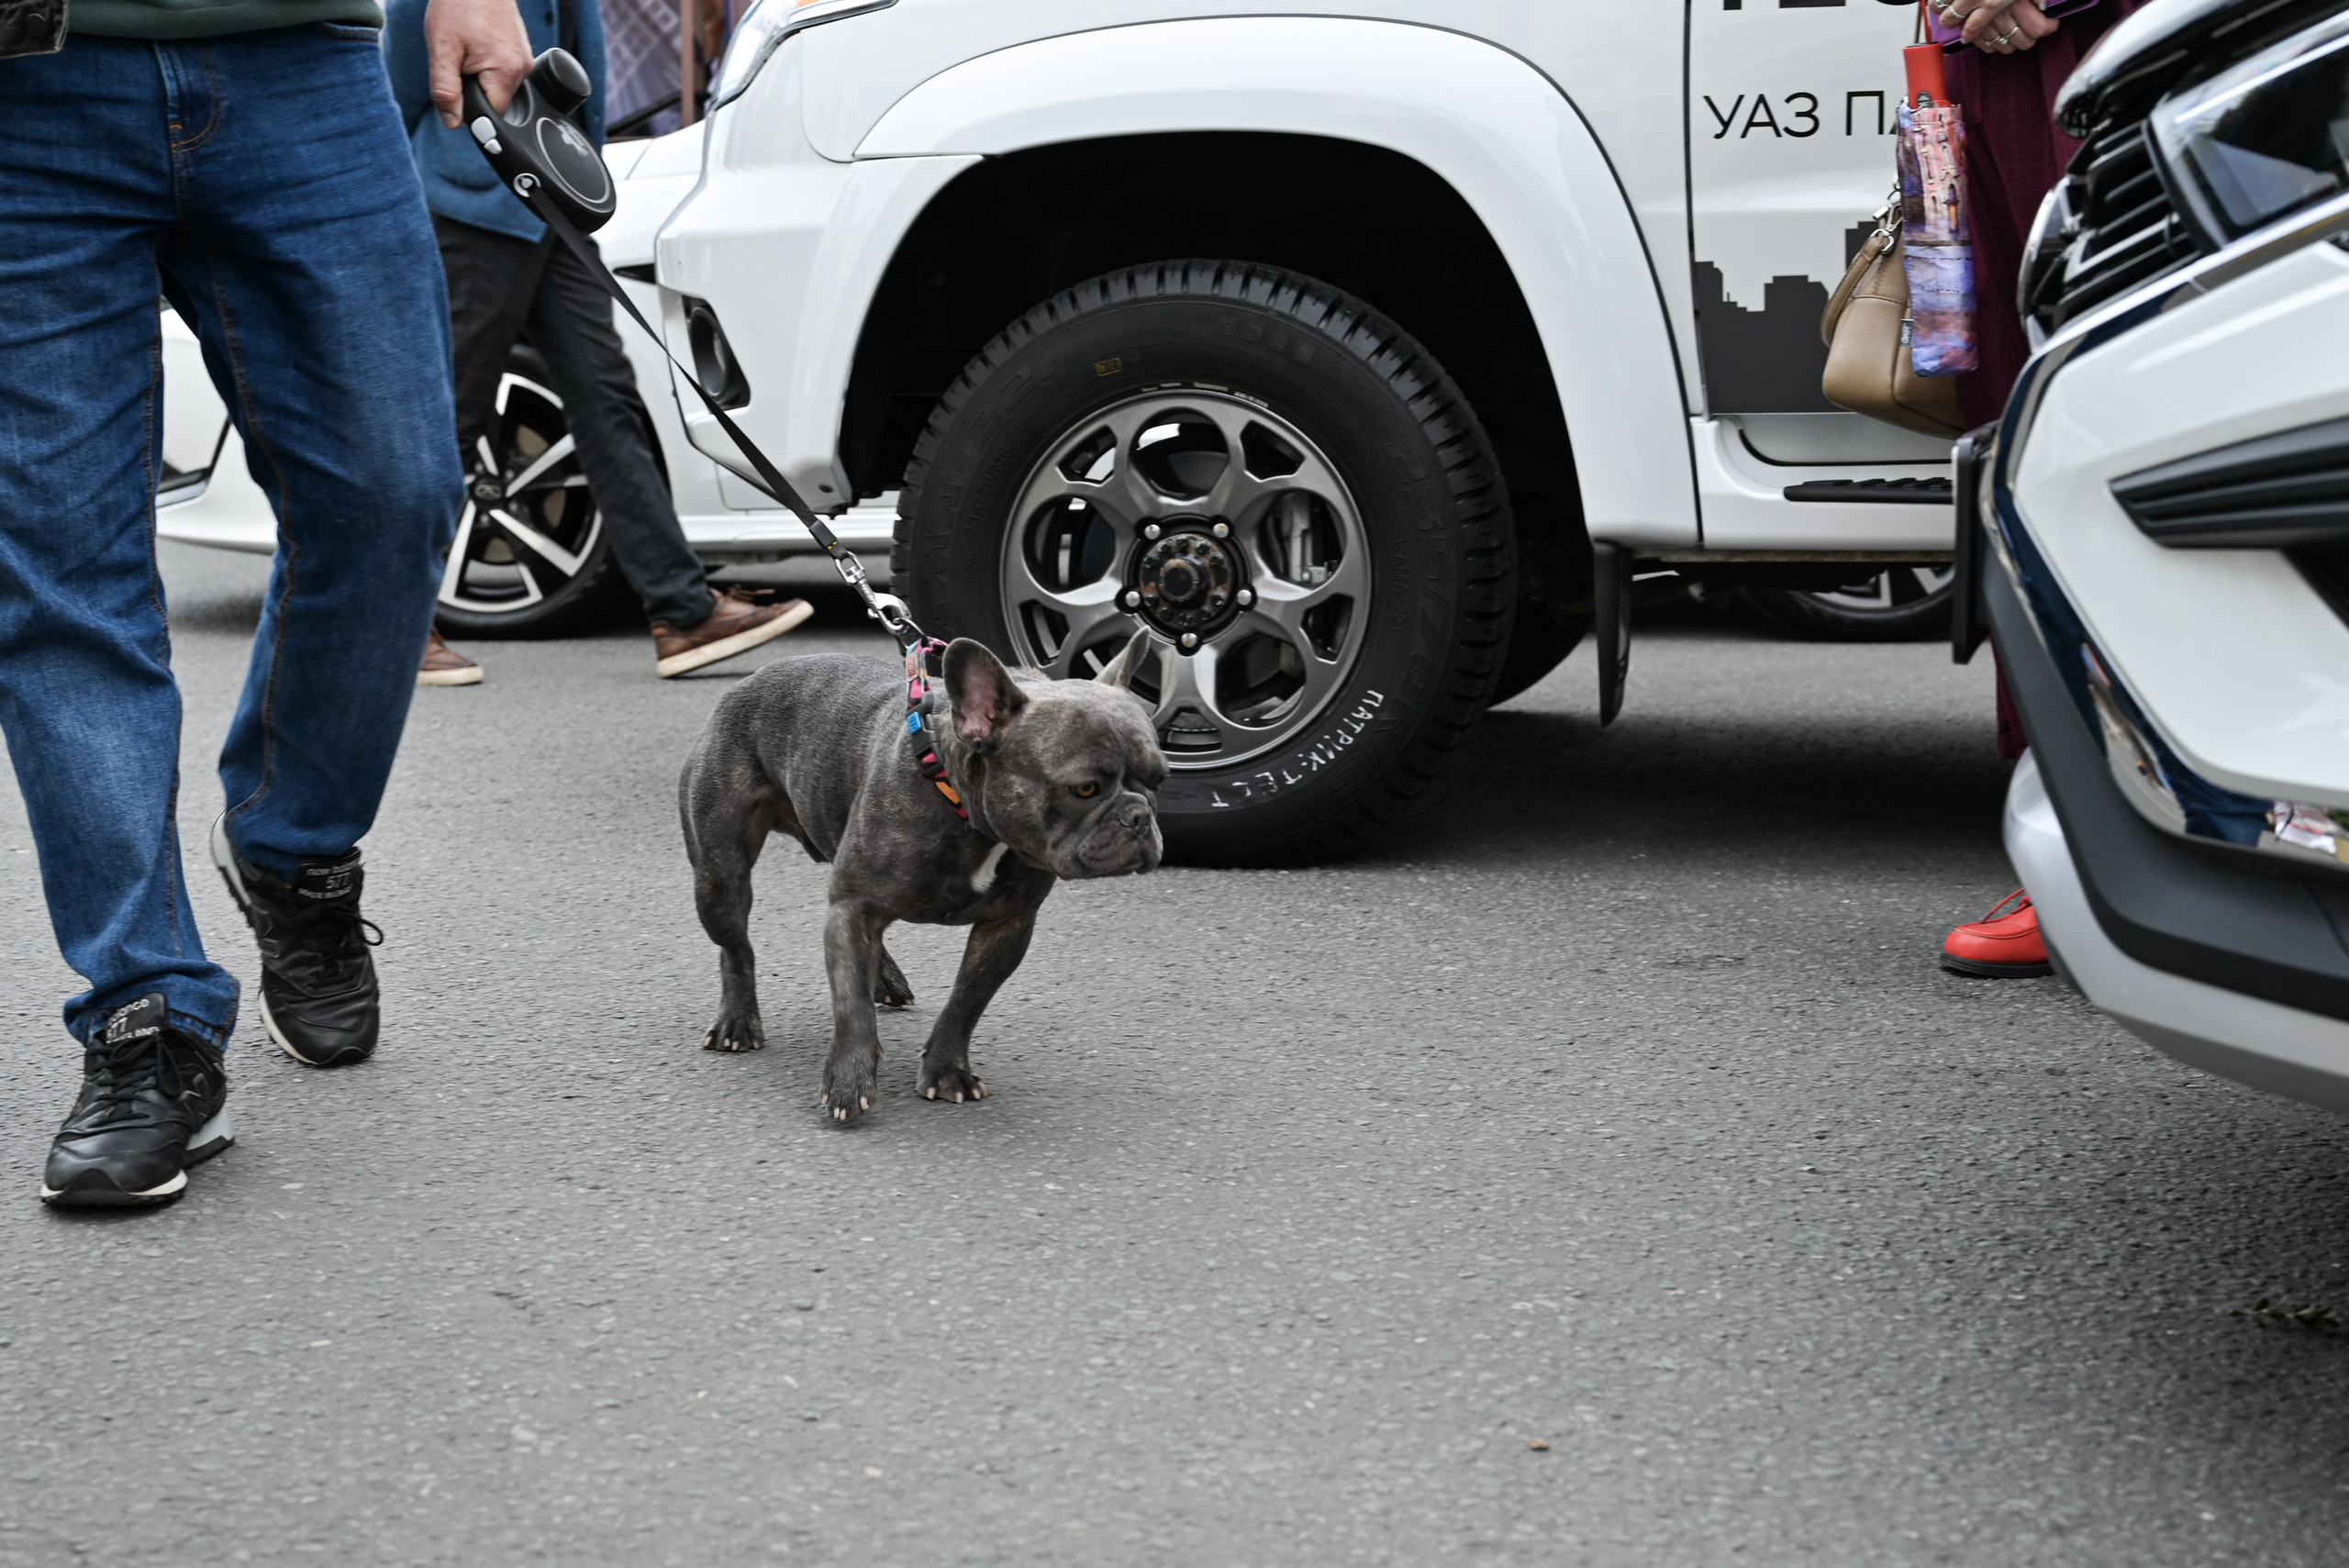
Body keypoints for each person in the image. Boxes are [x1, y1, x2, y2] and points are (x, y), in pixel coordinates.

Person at [0, 0, 534, 1206]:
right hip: (30, 79)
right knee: (61, 573)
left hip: (303, 58)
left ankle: (292, 849)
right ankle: (147, 1017)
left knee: (394, 497)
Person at [385, 0, 810, 685]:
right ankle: (394, 627)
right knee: (451, 417)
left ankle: (683, 611)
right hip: (473, 204)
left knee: (607, 397)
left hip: (548, 207)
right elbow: (403, 70)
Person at [1932, 0, 2142, 979]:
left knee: (2111, 416)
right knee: (2009, 438)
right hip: (1964, 59)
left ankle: (2141, 846)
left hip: (2109, 40)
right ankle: (2059, 843)